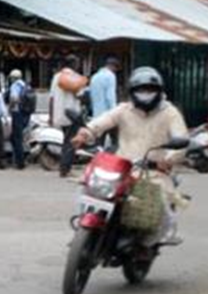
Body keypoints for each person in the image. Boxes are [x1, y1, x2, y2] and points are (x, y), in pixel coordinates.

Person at [73, 67, 188, 245]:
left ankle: (148, 242)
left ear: (159, 91)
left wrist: (169, 159)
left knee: (158, 204)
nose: (145, 94)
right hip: (122, 167)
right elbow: (102, 122)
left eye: (150, 90)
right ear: (132, 92)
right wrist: (85, 133)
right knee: (90, 186)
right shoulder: (124, 110)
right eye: (141, 90)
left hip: (153, 170)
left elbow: (181, 138)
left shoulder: (169, 112)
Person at [50, 55, 88, 177]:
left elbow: (51, 98)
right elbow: (80, 96)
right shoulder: (76, 78)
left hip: (59, 114)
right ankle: (65, 169)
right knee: (71, 142)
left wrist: (51, 116)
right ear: (73, 64)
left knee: (66, 141)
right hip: (73, 115)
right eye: (77, 63)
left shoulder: (56, 77)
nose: (78, 65)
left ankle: (63, 167)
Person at [90, 55, 122, 150]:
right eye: (116, 69)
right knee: (116, 141)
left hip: (97, 115)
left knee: (99, 143)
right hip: (108, 115)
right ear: (113, 66)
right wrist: (115, 113)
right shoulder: (110, 76)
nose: (115, 71)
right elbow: (110, 97)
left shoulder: (95, 77)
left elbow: (91, 96)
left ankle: (97, 156)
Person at [6, 69, 33, 170]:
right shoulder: (26, 86)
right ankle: (18, 160)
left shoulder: (15, 85)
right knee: (15, 137)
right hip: (25, 114)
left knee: (17, 138)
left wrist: (9, 108)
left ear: (13, 78)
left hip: (17, 113)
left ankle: (20, 163)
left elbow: (14, 98)